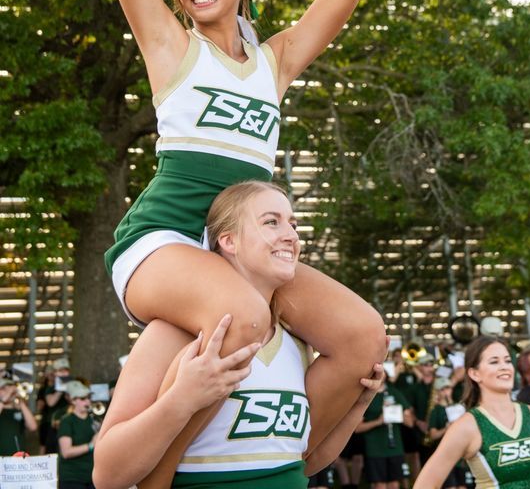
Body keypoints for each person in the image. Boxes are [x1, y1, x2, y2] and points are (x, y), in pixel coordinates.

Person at [102, 0, 387, 486]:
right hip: (163, 241)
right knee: (245, 318)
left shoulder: (274, 63)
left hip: (238, 249)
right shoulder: (171, 48)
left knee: (363, 336)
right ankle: (159, 476)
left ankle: (282, 464)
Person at [94, 181, 384, 489]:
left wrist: (358, 405)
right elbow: (108, 475)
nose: (291, 235)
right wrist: (182, 399)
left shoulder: (297, 342)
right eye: (271, 222)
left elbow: (305, 460)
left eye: (293, 224)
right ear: (229, 241)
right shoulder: (174, 332)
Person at [413, 336, 530, 489]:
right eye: (494, 362)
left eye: (507, 361)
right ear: (474, 373)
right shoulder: (467, 427)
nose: (504, 367)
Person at [355, 372, 413, 489]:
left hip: (395, 448)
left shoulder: (394, 393)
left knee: (394, 484)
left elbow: (410, 422)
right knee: (379, 485)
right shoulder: (366, 395)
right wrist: (378, 421)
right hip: (375, 449)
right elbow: (357, 428)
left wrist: (396, 414)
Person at [58, 380, 99, 489]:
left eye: (89, 398)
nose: (87, 402)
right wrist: (91, 445)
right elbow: (66, 452)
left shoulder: (93, 419)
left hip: (92, 477)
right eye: (82, 399)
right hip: (72, 478)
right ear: (73, 400)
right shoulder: (67, 421)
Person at [427, 378, 466, 489]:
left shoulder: (459, 408)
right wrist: (446, 428)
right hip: (445, 457)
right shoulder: (436, 411)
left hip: (460, 456)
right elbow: (433, 435)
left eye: (448, 388)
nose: (446, 391)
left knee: (463, 486)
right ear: (438, 391)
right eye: (442, 389)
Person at [0, 375, 37, 455]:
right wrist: (4, 400)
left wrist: (21, 402)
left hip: (18, 457)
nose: (8, 390)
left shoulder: (19, 409)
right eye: (3, 388)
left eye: (9, 386)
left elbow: (33, 427)